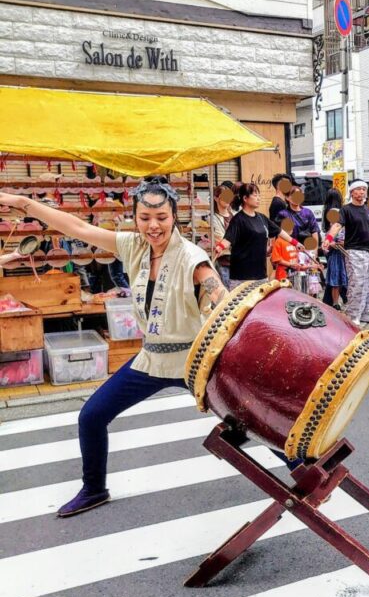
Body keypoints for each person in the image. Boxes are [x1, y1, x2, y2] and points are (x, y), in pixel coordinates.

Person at [0, 177, 227, 517]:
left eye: (161, 218)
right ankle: (94, 489)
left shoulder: (193, 257)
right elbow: (76, 226)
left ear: (174, 216)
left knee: (246, 417)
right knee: (91, 416)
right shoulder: (132, 245)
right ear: (135, 217)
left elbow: (220, 296)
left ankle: (303, 467)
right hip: (150, 359)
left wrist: (221, 304)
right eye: (145, 218)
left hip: (192, 361)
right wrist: (24, 203)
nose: (153, 226)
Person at [215, 183, 298, 290]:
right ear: (245, 198)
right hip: (241, 277)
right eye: (255, 195)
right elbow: (228, 238)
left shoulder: (262, 218)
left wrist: (296, 243)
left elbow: (279, 231)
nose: (258, 198)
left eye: (259, 195)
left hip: (260, 274)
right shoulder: (238, 219)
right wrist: (219, 247)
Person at [324, 180, 369, 325]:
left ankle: (367, 313)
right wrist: (328, 238)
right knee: (357, 283)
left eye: (364, 189)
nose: (362, 192)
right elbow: (337, 225)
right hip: (354, 251)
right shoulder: (346, 209)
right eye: (359, 189)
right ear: (352, 192)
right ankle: (353, 314)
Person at [210, 183, 235, 286]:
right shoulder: (213, 218)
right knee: (226, 294)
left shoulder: (235, 215)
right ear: (216, 198)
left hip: (239, 261)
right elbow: (220, 238)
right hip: (224, 261)